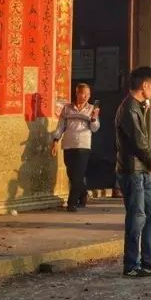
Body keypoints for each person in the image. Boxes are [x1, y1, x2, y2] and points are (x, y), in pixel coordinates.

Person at [116, 66, 151, 277]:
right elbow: (138, 141)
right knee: (136, 217)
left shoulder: (139, 106)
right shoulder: (129, 108)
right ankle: (131, 265)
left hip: (143, 171)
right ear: (144, 85)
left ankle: (148, 259)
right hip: (133, 171)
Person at [50, 82, 100, 211]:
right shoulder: (67, 108)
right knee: (72, 174)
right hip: (68, 144)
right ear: (77, 93)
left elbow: (95, 128)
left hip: (83, 145)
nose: (85, 96)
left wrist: (94, 118)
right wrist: (56, 140)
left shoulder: (91, 109)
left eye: (88, 94)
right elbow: (61, 126)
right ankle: (83, 194)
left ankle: (71, 203)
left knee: (78, 174)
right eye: (83, 93)